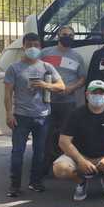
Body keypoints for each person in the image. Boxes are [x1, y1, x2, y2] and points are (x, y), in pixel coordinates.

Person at [4, 33, 65, 197]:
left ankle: (35, 182)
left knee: (40, 152)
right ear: (23, 46)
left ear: (40, 47)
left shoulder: (47, 67)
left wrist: (46, 85)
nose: (33, 48)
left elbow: (61, 86)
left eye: (36, 45)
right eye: (29, 45)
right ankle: (14, 185)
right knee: (17, 152)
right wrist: (9, 114)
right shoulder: (14, 68)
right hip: (21, 116)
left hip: (43, 116)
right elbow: (7, 93)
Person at [54, 80, 104, 201]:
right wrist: (80, 160)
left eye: (101, 93)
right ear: (87, 94)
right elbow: (63, 141)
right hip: (81, 156)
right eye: (94, 93)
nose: (98, 96)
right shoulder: (76, 114)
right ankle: (81, 182)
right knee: (59, 168)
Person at [40, 26, 86, 173]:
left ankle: (67, 166)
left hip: (68, 103)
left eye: (71, 35)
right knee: (45, 136)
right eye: (65, 34)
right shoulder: (45, 53)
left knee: (67, 136)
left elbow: (82, 78)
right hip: (47, 102)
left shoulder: (77, 57)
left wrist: (72, 87)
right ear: (58, 35)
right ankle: (44, 168)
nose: (68, 37)